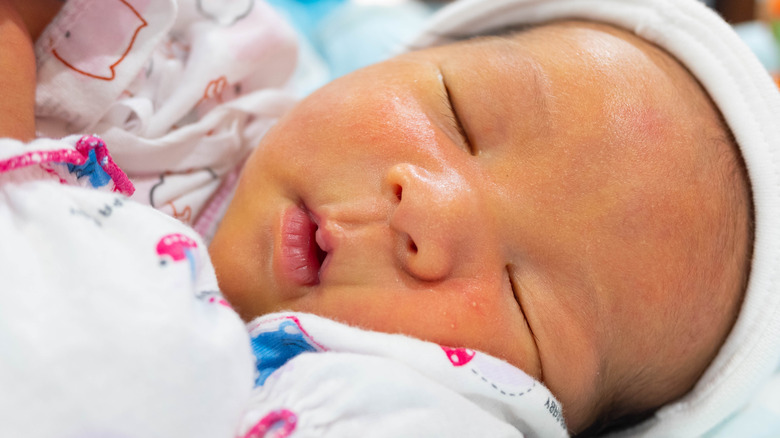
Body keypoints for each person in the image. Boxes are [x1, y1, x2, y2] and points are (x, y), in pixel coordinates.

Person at [1, 1, 779, 438]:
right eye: (460, 115)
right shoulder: (230, 54)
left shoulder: (395, 411)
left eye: (524, 301)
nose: (430, 212)